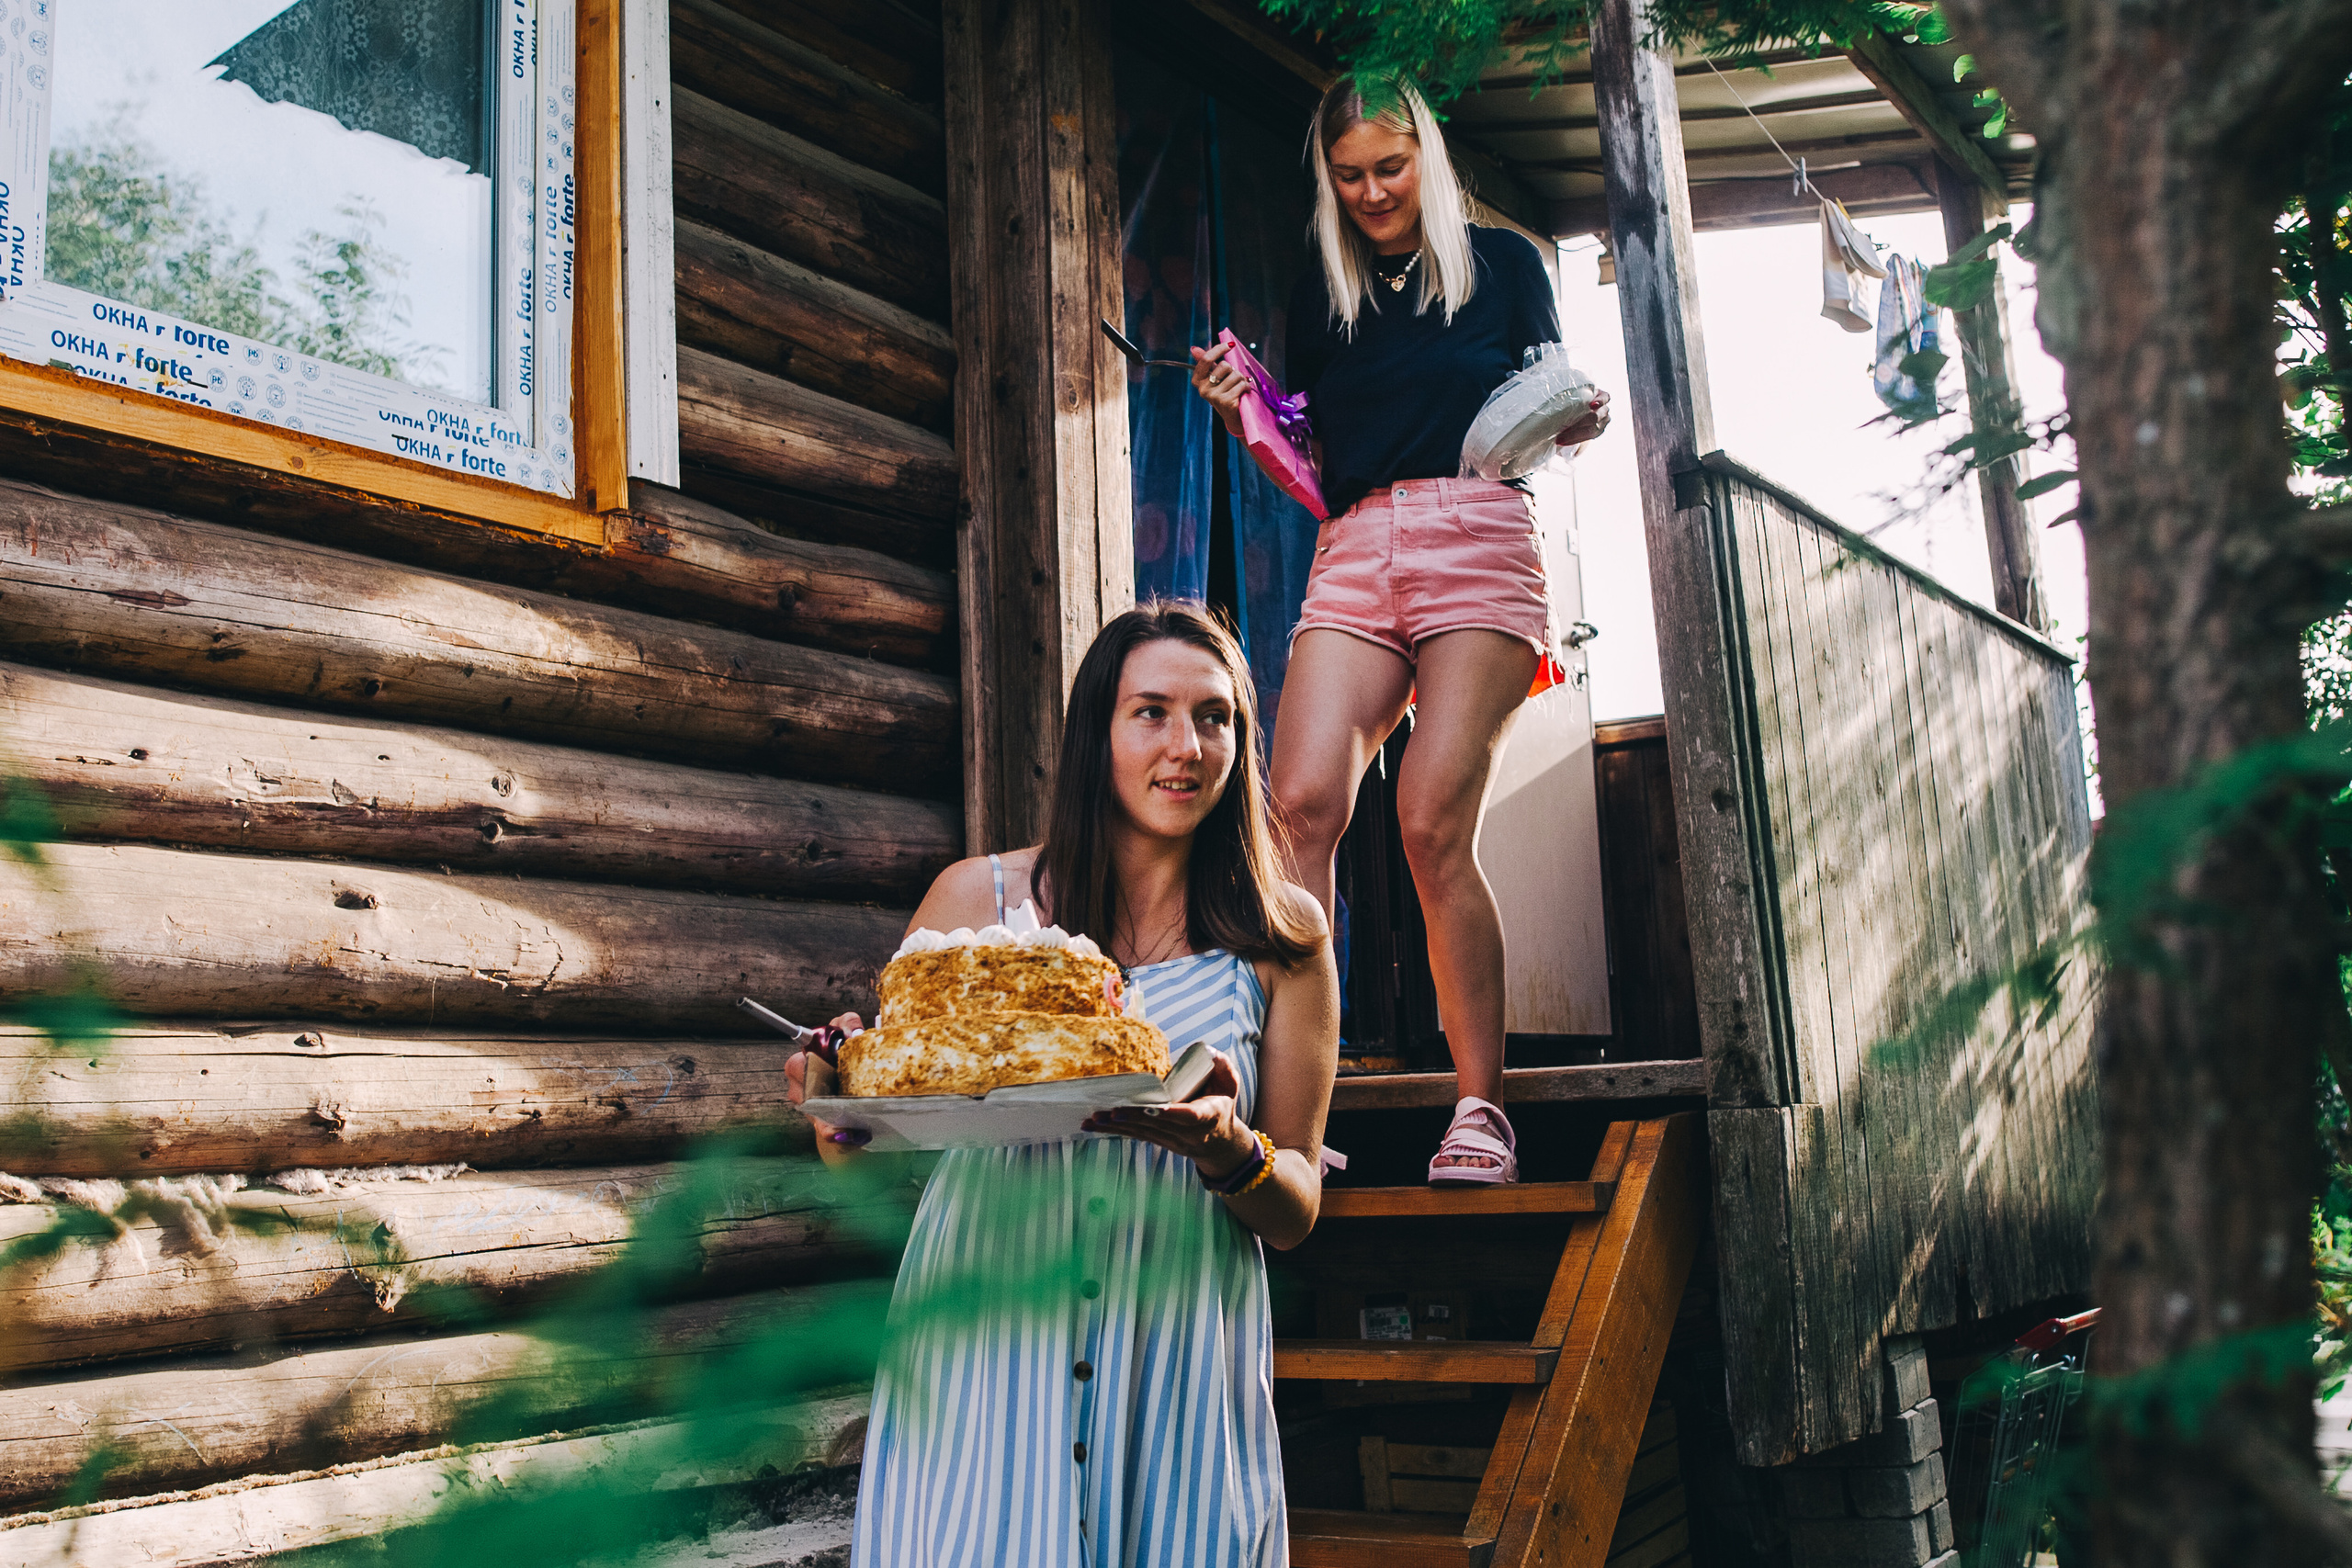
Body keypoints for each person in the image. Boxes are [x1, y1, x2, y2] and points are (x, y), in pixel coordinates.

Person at [785, 602, 1340, 1568]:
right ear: (1098, 733)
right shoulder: (976, 906)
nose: (1187, 746)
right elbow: (868, 1170)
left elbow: (1294, 1207)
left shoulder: (1281, 939)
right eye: (1151, 713)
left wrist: (1230, 1153)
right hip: (988, 1339)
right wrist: (837, 1109)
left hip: (1171, 1356)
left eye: (1214, 718)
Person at [1190, 75, 1611, 1186]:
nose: (1372, 190)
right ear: (1327, 179)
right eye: (1349, 173)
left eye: (1390, 165)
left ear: (1424, 154)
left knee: (1430, 821)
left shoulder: (1504, 265)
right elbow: (1316, 471)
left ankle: (1481, 1109)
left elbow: (1544, 408)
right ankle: (1296, 1115)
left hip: (1476, 532)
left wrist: (1583, 414)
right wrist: (1247, 416)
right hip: (1357, 548)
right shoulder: (1320, 294)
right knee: (1297, 808)